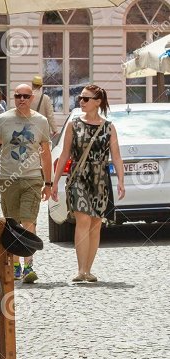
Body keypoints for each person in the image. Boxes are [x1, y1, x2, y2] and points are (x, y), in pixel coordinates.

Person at [51, 85, 125, 283]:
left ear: (98, 102)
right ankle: (81, 269)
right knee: (83, 220)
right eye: (80, 98)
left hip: (100, 178)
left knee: (96, 224)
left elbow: (116, 157)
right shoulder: (73, 124)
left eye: (85, 99)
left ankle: (89, 269)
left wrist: (121, 181)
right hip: (79, 177)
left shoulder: (109, 127)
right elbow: (64, 153)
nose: (81, 102)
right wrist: (55, 181)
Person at [0, 83, 53, 283]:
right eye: (17, 96)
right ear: (13, 98)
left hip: (33, 178)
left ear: (32, 98)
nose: (21, 99)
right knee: (12, 223)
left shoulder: (40, 121)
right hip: (8, 179)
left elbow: (46, 154)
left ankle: (28, 266)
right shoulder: (3, 120)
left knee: (28, 221)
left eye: (25, 96)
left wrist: (48, 183)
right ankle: (15, 265)